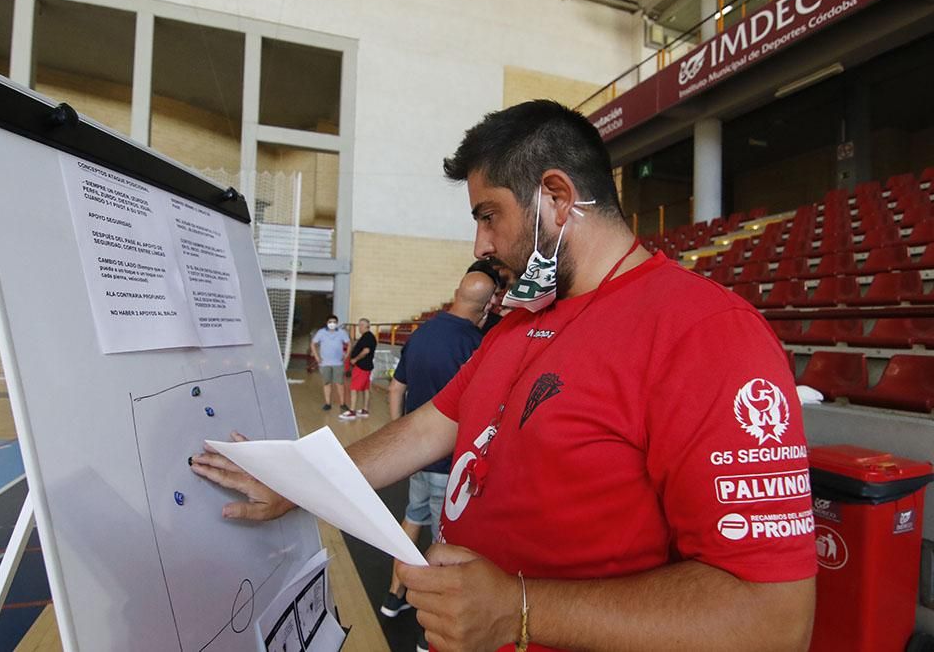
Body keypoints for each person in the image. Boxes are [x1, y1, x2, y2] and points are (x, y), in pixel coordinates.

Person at [192, 100, 816, 652]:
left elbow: (774, 619)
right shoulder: (521, 324)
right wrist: (299, 480)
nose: (480, 243)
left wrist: (517, 609)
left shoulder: (705, 332)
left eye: (489, 215)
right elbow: (430, 427)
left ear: (557, 197)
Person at [379, 270, 496, 640]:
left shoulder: (422, 332)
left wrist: (401, 439)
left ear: (456, 292)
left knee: (410, 523)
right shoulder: (478, 343)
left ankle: (394, 597)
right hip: (449, 463)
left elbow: (396, 388)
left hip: (417, 457)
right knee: (443, 545)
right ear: (490, 304)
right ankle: (430, 633)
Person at [339, 318, 377, 420]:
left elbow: (366, 350)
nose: (359, 327)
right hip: (366, 367)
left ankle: (352, 411)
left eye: (360, 325)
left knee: (354, 388)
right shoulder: (367, 336)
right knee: (366, 388)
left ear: (366, 326)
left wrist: (355, 359)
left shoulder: (367, 337)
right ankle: (365, 410)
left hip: (361, 367)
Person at [310, 315, 350, 412]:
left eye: (334, 322)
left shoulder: (342, 333)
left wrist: (346, 355)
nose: (332, 323)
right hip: (324, 363)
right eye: (330, 322)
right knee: (327, 383)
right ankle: (327, 403)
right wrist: (317, 356)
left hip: (338, 363)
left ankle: (342, 404)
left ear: (337, 323)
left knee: (340, 384)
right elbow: (313, 344)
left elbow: (349, 343)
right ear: (327, 323)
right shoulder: (321, 332)